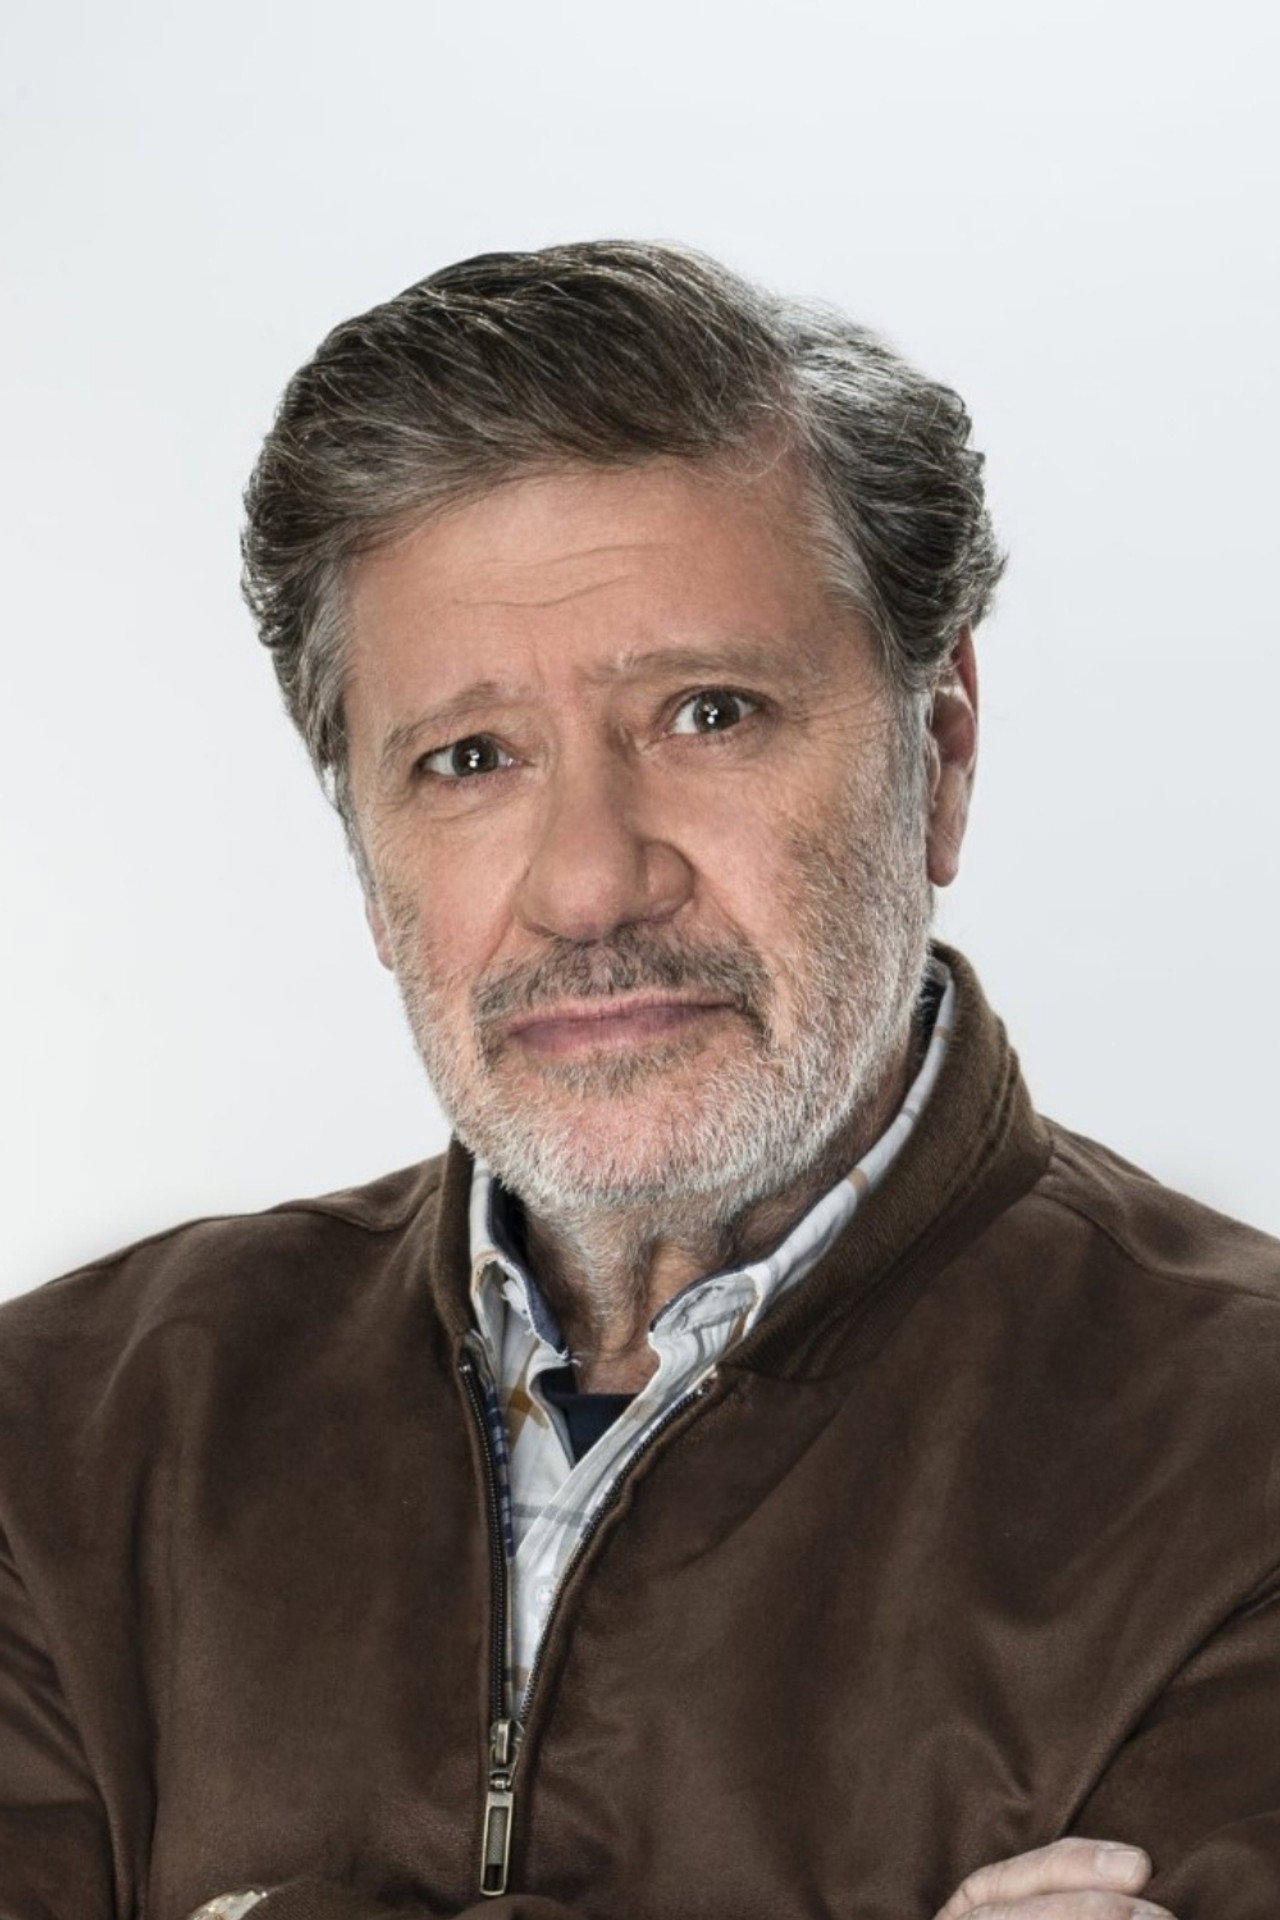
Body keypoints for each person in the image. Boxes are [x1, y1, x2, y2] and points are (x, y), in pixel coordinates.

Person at [2, 241, 1275, 1920]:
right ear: (368, 852)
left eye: (707, 714)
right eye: (469, 758)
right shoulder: (56, 1445)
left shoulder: (1246, 1465)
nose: (591, 883)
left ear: (941, 749)